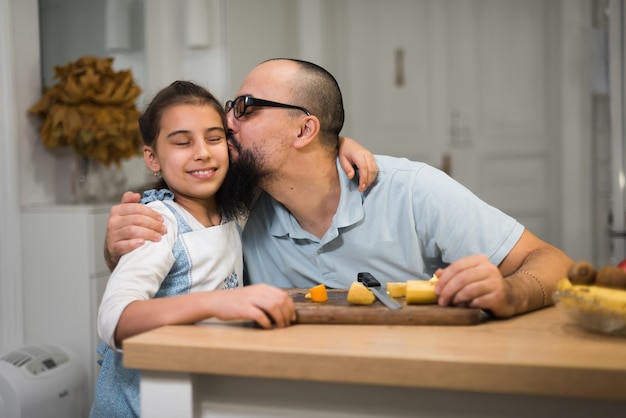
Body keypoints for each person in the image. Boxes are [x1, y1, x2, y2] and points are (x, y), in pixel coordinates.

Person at [105, 58, 572, 319]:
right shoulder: (239, 205)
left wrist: (513, 294)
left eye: (244, 108)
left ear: (305, 131)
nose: (225, 125)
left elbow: (554, 263)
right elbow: (181, 249)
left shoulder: (411, 191)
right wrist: (119, 249)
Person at [90, 81, 297, 418]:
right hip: (143, 403)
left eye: (214, 138)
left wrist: (343, 144)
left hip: (195, 393)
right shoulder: (157, 221)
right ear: (152, 157)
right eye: (183, 142)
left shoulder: (232, 210)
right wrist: (219, 302)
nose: (202, 151)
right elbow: (114, 321)